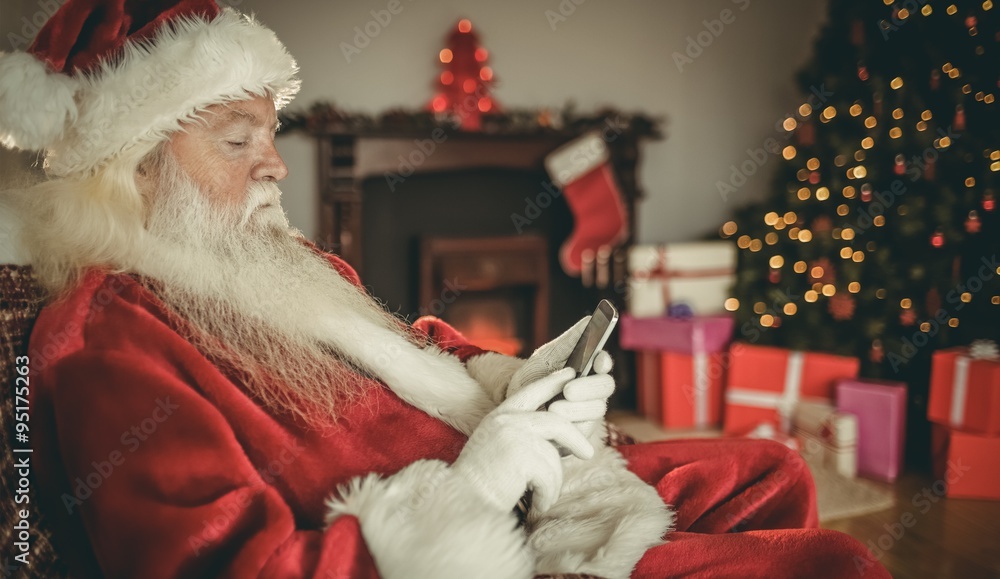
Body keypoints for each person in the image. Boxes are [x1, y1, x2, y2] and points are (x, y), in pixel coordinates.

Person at [0, 1, 890, 577]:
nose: (276, 165)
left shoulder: (265, 260)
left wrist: (516, 379)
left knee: (769, 469)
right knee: (826, 561)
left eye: (271, 134)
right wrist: (470, 493)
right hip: (470, 547)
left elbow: (408, 349)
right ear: (135, 167)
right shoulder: (106, 339)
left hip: (515, 485)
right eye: (238, 141)